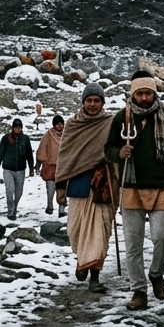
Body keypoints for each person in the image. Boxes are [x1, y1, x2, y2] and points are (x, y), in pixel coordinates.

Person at [105, 71, 164, 310]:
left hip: (161, 186)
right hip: (130, 188)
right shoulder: (122, 118)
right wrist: (118, 153)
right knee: (133, 244)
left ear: (154, 94)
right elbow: (109, 147)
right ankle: (138, 290)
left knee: (162, 237)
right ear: (133, 94)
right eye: (139, 93)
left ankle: (156, 273)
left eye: (147, 93)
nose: (144, 98)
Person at [55, 85, 117, 292]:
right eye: (89, 100)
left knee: (99, 232)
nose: (92, 104)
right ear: (83, 102)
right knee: (78, 231)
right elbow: (65, 156)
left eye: (96, 101)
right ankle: (82, 260)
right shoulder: (73, 125)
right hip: (79, 187)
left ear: (102, 103)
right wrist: (60, 187)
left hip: (104, 186)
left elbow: (116, 149)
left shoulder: (110, 123)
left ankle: (94, 276)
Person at [0, 118, 35, 220]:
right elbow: (0, 153)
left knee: (19, 192)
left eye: (19, 128)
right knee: (10, 189)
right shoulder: (6, 138)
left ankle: (15, 207)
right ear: (13, 128)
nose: (18, 130)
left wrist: (31, 167)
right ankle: (10, 210)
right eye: (16, 128)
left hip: (21, 170)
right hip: (8, 169)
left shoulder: (25, 139)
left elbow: (29, 154)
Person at [36, 114, 65, 216]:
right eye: (58, 124)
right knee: (50, 188)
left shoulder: (67, 135)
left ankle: (61, 210)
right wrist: (39, 163)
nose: (60, 126)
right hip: (50, 165)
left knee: (62, 188)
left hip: (63, 166)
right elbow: (42, 148)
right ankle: (49, 205)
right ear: (54, 125)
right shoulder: (48, 134)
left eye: (61, 124)